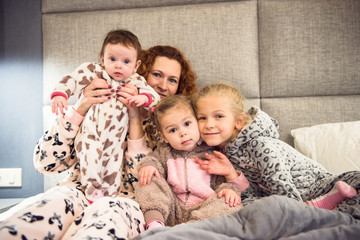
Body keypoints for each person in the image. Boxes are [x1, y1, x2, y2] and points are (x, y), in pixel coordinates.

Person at [0, 46, 197, 239]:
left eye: (172, 80)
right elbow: (45, 163)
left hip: (126, 202)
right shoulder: (97, 108)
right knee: (41, 213)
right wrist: (81, 106)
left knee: (104, 221)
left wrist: (134, 118)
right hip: (77, 189)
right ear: (139, 72)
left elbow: (142, 185)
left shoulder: (173, 133)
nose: (163, 85)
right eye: (157, 74)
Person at [192, 83, 359, 216]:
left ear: (238, 122)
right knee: (243, 206)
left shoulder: (259, 145)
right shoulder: (225, 154)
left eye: (218, 116)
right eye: (202, 118)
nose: (209, 124)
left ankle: (316, 213)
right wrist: (231, 174)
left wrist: (296, 212)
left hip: (321, 186)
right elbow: (254, 194)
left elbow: (283, 189)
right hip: (292, 202)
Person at [50, 29, 160, 202]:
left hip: (115, 140)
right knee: (90, 159)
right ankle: (91, 193)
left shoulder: (135, 81)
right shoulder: (94, 71)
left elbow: (154, 97)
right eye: (112, 59)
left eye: (126, 61)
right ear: (102, 59)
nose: (118, 65)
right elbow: (72, 79)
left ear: (136, 65)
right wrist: (60, 94)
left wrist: (141, 97)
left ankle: (108, 198)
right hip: (90, 133)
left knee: (113, 167)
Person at [135, 95, 249, 230]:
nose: (183, 133)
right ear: (164, 137)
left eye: (187, 124)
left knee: (230, 202)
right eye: (173, 130)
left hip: (204, 209)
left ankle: (190, 229)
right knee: (148, 177)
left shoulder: (212, 152)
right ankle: (154, 223)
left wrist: (228, 190)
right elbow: (152, 159)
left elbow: (224, 183)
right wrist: (149, 165)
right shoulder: (164, 152)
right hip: (171, 207)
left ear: (196, 122)